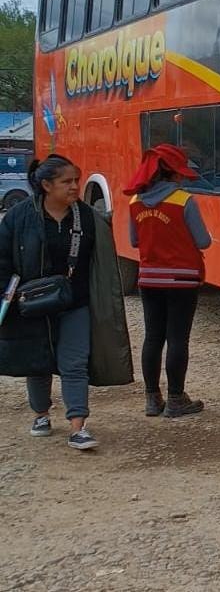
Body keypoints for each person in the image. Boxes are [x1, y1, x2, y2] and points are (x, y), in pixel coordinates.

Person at [0, 154, 132, 449]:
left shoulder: (87, 217)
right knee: (38, 363)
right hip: (30, 305)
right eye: (67, 182)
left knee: (75, 363)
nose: (75, 187)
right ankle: (41, 414)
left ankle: (78, 426)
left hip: (75, 302)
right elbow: (3, 260)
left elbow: (102, 263)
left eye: (76, 180)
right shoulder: (18, 217)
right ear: (46, 185)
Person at [125, 144, 212, 418]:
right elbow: (203, 241)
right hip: (182, 281)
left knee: (153, 337)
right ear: (173, 173)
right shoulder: (184, 201)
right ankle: (176, 399)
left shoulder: (135, 202)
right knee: (177, 339)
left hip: (149, 279)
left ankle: (152, 399)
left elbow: (134, 241)